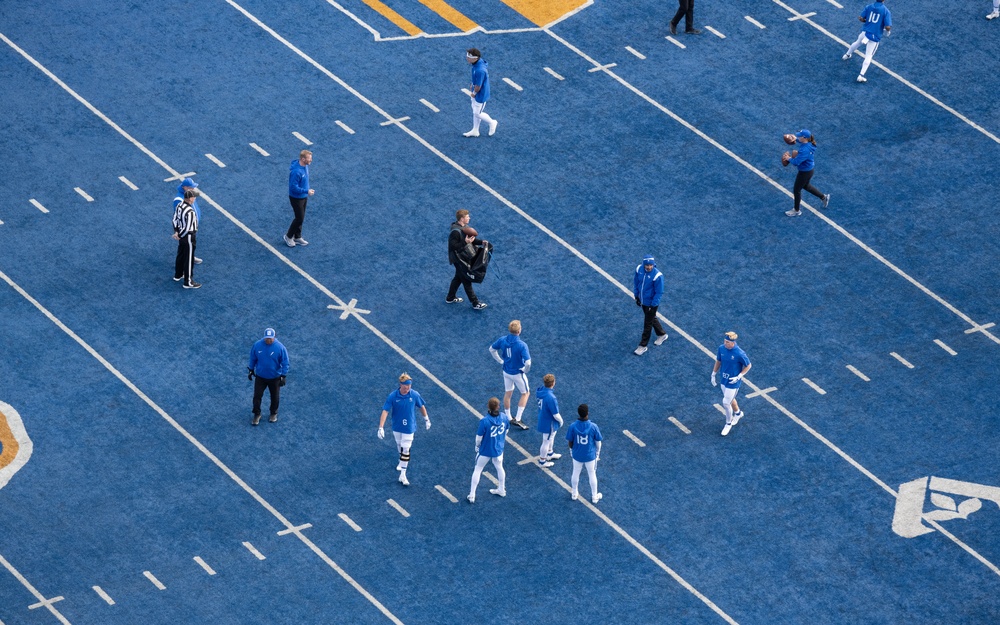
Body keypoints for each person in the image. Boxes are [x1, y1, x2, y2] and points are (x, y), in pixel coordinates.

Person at [377, 373, 431, 486]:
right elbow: (385, 410)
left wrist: (426, 419)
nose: (407, 389)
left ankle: (403, 474)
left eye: (409, 386)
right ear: (400, 385)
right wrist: (381, 427)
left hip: (409, 427)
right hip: (397, 426)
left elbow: (421, 406)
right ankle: (401, 462)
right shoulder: (393, 396)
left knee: (406, 449)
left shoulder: (414, 395)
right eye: (405, 386)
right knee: (400, 447)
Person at [490, 320, 532, 430]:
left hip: (506, 371)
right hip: (517, 373)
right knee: (525, 393)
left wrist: (500, 361)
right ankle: (518, 418)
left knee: (508, 393)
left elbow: (492, 349)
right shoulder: (522, 345)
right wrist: (524, 370)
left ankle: (508, 416)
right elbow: (528, 362)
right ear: (519, 330)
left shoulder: (503, 340)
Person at [467, 397, 509, 503]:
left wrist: (477, 446)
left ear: (488, 406)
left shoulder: (485, 421)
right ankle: (501, 489)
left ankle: (472, 494)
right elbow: (507, 430)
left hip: (486, 450)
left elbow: (478, 438)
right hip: (499, 449)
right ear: (498, 406)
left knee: (478, 469)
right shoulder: (504, 416)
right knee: (499, 467)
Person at [711, 331, 752, 436]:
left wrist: (739, 376)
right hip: (723, 380)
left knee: (725, 402)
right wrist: (713, 373)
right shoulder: (721, 348)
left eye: (728, 342)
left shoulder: (739, 353)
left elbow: (748, 365)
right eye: (725, 341)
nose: (725, 343)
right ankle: (738, 413)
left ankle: (728, 423)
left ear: (733, 342)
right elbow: (718, 361)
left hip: (733, 382)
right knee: (730, 399)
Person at [782, 129, 830, 217]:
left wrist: (788, 158)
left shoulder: (804, 151)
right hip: (809, 170)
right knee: (806, 186)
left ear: (804, 138)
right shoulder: (809, 143)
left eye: (799, 136)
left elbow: (796, 162)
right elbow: (801, 142)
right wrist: (795, 138)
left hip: (804, 172)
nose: (798, 136)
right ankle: (823, 197)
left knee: (797, 190)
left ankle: (796, 210)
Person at [842, 0, 892, 83]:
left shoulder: (869, 6)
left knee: (857, 43)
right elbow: (888, 27)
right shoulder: (886, 11)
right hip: (874, 36)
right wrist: (887, 31)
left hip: (865, 32)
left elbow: (861, 18)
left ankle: (846, 55)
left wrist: (868, 21)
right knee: (869, 55)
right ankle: (861, 75)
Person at [247, 328, 289, 425]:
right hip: (260, 377)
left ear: (274, 337)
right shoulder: (257, 345)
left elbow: (285, 363)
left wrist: (283, 375)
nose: (268, 340)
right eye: (267, 338)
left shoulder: (280, 348)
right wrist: (251, 369)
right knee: (257, 396)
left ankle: (273, 413)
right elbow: (253, 358)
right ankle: (257, 414)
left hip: (274, 378)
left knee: (275, 397)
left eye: (270, 338)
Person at [632, 255, 669, 355]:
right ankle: (661, 334)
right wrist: (636, 296)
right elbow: (636, 282)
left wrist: (652, 305)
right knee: (651, 319)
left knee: (647, 324)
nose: (649, 267)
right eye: (647, 265)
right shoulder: (639, 269)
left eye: (650, 265)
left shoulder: (657, 276)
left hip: (652, 303)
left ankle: (642, 346)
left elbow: (659, 292)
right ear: (644, 264)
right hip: (643, 301)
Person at [566, 404, 603, 503]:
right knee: (592, 474)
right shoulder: (593, 426)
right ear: (587, 413)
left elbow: (570, 442)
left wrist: (571, 451)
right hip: (590, 456)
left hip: (577, 454)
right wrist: (597, 453)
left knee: (575, 472)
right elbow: (598, 442)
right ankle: (594, 496)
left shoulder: (573, 426)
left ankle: (574, 493)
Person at [450, 226, 489, 310]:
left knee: (458, 278)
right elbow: (454, 246)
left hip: (460, 260)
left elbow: (471, 240)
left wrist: (481, 242)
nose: (469, 218)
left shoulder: (462, 228)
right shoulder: (456, 232)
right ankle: (475, 303)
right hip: (459, 260)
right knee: (466, 281)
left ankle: (450, 297)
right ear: (462, 218)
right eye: (467, 216)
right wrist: (465, 242)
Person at [463, 48, 498, 138]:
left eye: (469, 57)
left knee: (477, 113)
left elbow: (479, 86)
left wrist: (474, 93)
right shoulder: (478, 63)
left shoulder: (480, 70)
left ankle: (492, 122)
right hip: (476, 90)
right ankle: (475, 130)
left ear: (475, 58)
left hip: (481, 94)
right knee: (475, 110)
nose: (467, 58)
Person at [284, 150, 314, 248]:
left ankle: (297, 236)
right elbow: (293, 187)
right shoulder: (296, 172)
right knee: (299, 218)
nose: (311, 160)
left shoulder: (305, 166)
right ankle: (288, 236)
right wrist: (306, 191)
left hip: (303, 196)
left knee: (301, 218)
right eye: (309, 159)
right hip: (296, 198)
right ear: (303, 159)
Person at [172, 189, 201, 289]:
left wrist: (176, 232)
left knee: (180, 254)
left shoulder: (179, 205)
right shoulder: (190, 211)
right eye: (194, 197)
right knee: (189, 258)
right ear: (190, 198)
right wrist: (180, 234)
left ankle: (178, 274)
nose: (195, 198)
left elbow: (174, 219)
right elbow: (188, 227)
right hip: (188, 237)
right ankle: (188, 282)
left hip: (181, 235)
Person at [535, 374, 564, 468]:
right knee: (546, 441)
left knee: (550, 438)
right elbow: (555, 414)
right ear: (553, 383)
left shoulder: (540, 390)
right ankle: (542, 461)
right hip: (549, 421)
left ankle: (550, 453)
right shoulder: (551, 397)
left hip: (543, 417)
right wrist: (561, 421)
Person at [172, 177, 202, 264]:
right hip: (185, 227)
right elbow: (177, 215)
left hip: (191, 225)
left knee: (189, 246)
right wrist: (178, 230)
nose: (193, 189)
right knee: (184, 247)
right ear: (185, 187)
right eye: (191, 187)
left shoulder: (188, 194)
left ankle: (190, 258)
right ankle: (183, 268)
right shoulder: (179, 200)